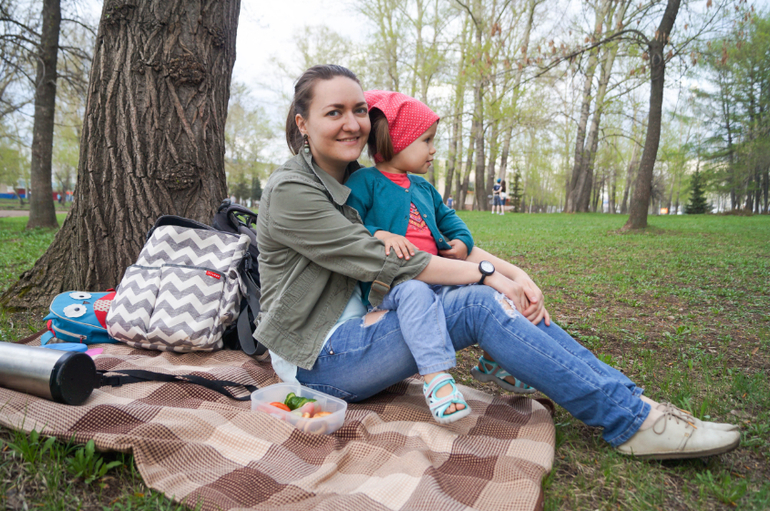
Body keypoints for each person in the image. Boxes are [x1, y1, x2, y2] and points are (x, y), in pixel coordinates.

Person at [255, 64, 740, 460]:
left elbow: (439, 244)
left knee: (492, 298)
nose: (352, 123)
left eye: (359, 110)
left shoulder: (356, 179)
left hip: (367, 330)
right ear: (302, 123)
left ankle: (633, 403)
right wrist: (488, 278)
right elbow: (393, 263)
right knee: (479, 303)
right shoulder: (294, 190)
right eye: (334, 112)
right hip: (320, 361)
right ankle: (630, 422)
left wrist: (515, 274)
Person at [344, 91, 534, 422]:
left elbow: (452, 221)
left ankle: (495, 362)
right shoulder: (365, 182)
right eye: (426, 140)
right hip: (392, 283)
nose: (433, 149)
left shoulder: (425, 189)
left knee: (487, 291)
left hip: (438, 275)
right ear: (396, 141)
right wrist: (381, 234)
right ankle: (436, 380)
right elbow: (349, 225)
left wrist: (461, 243)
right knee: (415, 291)